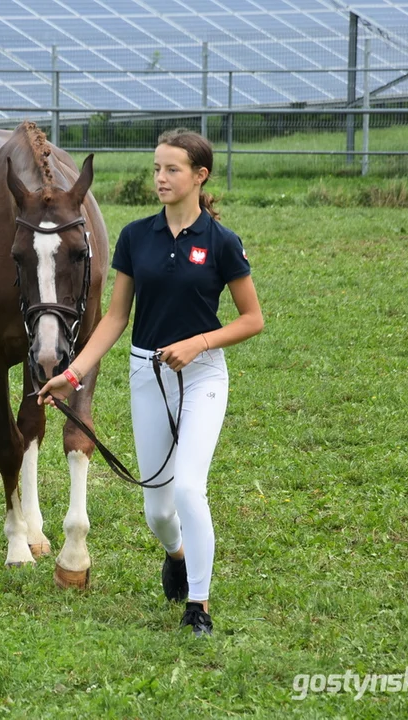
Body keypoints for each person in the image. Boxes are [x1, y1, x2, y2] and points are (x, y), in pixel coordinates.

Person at [37, 128, 264, 637]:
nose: (161, 178)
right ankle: (177, 554)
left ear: (199, 175)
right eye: (157, 168)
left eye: (172, 169)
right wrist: (71, 375)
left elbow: (252, 319)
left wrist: (200, 343)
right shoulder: (136, 236)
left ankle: (199, 606)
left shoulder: (221, 242)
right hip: (147, 373)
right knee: (159, 511)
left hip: (202, 375)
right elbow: (115, 318)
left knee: (188, 488)